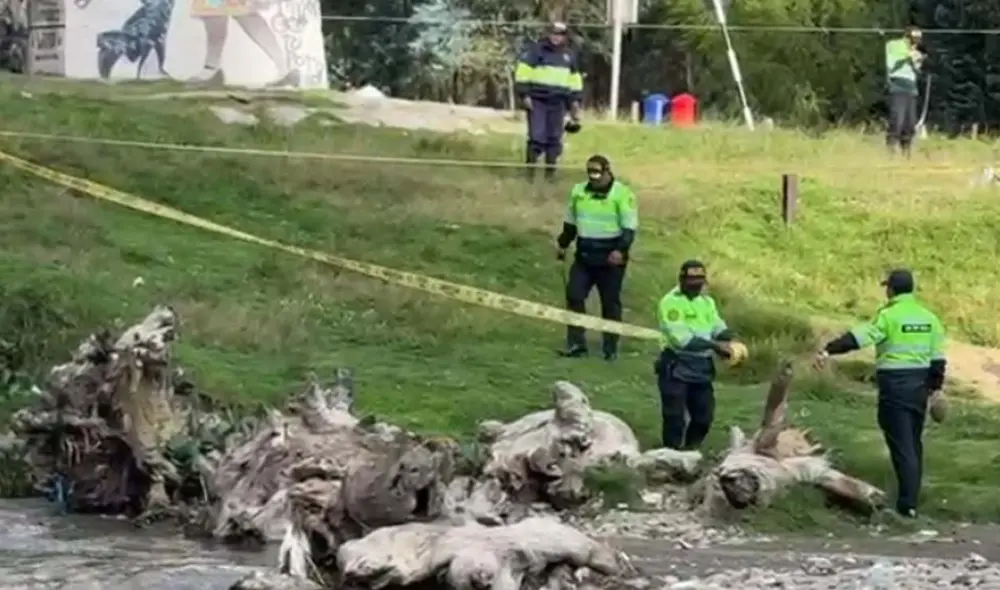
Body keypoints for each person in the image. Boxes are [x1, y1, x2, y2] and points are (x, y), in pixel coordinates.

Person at [814, 268, 946, 518]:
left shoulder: (889, 316)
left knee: (901, 444)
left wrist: (829, 349)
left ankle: (907, 506)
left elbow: (860, 337)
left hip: (895, 386)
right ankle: (911, 500)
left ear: (891, 289)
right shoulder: (929, 318)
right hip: (920, 387)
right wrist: (935, 389)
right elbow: (938, 358)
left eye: (887, 287)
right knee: (913, 444)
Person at [556, 155, 637, 361]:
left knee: (609, 303)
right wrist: (563, 244)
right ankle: (576, 344)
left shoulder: (622, 194)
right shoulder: (578, 192)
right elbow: (570, 223)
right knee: (574, 295)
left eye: (597, 172)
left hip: (611, 257)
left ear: (608, 171)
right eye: (590, 172)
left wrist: (620, 250)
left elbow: (629, 228)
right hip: (584, 255)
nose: (593, 177)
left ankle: (610, 348)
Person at [655, 260, 735, 450]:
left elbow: (717, 327)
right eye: (691, 280)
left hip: (702, 367)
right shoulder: (670, 303)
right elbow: (682, 341)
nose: (696, 284)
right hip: (676, 364)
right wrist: (716, 347)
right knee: (674, 417)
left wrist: (731, 340)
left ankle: (691, 449)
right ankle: (671, 453)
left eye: (700, 280)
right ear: (681, 279)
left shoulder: (706, 301)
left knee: (703, 417)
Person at [513, 21, 583, 181]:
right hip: (537, 100)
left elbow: (575, 80)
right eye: (554, 34)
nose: (556, 38)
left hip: (558, 102)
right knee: (537, 137)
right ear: (548, 34)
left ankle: (549, 176)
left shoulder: (569, 56)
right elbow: (522, 73)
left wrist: (575, 102)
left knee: (554, 138)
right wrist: (524, 95)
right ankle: (530, 174)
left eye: (560, 35)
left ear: (565, 37)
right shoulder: (535, 51)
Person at [884, 26, 925, 156]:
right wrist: (908, 57)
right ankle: (891, 150)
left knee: (910, 123)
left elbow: (917, 71)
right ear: (907, 37)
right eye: (914, 40)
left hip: (911, 88)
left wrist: (917, 62)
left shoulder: (916, 52)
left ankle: (906, 151)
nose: (916, 43)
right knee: (897, 119)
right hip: (898, 86)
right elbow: (892, 65)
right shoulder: (894, 45)